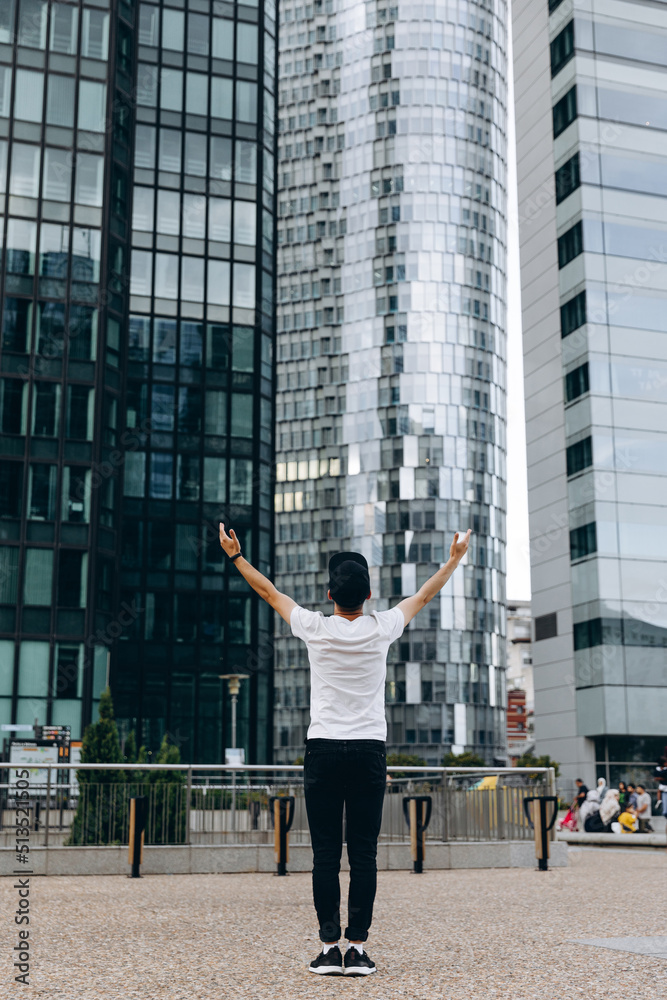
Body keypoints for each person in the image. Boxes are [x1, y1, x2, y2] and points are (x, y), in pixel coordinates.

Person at [219, 520, 471, 977]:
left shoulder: (315, 627)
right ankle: (357, 949)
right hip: (369, 752)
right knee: (364, 854)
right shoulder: (384, 627)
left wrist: (236, 556)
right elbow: (426, 595)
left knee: (324, 855)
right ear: (368, 596)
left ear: (331, 596)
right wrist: (453, 559)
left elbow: (270, 593)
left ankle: (329, 948)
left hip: (324, 751)